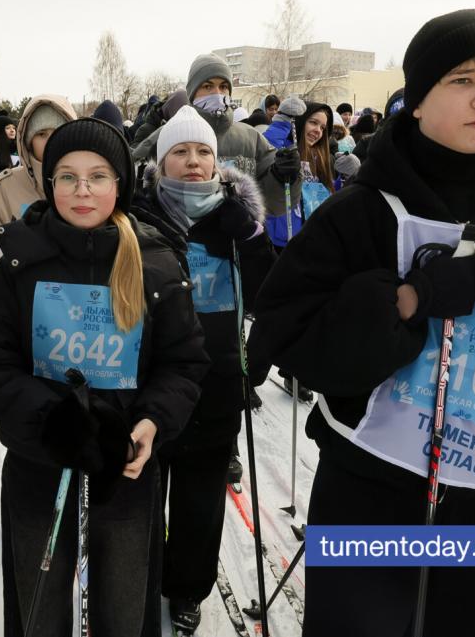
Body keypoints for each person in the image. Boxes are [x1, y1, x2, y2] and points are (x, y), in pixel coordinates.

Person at [249, 9, 475, 637]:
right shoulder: (359, 212)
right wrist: (406, 301)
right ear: (416, 100)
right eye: (462, 79)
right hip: (368, 485)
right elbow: (285, 335)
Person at [0, 117, 209, 637]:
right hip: (40, 463)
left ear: (119, 183)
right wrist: (48, 419)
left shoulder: (154, 260)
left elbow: (184, 362)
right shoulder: (19, 261)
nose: (82, 190)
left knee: (124, 609)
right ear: (48, 182)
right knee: (40, 610)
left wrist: (152, 422)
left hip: (124, 469)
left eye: (97, 176)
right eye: (67, 177)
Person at [134, 106, 274, 633]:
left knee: (200, 500)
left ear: (216, 162)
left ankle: (187, 588)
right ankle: (141, 575)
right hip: (147, 381)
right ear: (161, 161)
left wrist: (253, 240)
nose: (193, 161)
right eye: (180, 152)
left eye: (202, 153)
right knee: (143, 491)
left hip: (215, 382)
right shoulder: (139, 214)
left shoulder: (235, 220)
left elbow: (268, 294)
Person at [131, 54, 300, 221]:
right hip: (176, 233)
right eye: (208, 86)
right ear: (192, 93)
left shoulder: (251, 138)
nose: (217, 93)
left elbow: (271, 204)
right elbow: (137, 185)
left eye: (223, 87)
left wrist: (282, 176)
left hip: (237, 234)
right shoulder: (166, 136)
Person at [0, 95, 76, 285]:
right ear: (28, 140)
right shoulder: (3, 189)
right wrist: (0, 248)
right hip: (21, 297)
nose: (51, 141)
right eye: (41, 134)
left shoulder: (91, 183)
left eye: (59, 131)